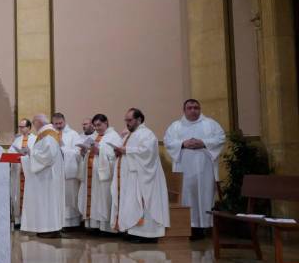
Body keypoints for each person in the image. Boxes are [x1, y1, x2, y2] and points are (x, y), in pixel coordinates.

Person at [163, 99, 225, 240]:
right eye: (189, 108)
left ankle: (206, 226)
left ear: (200, 109)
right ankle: (190, 226)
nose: (193, 110)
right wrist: (183, 144)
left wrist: (203, 142)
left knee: (205, 194)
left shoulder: (210, 124)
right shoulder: (176, 126)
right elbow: (168, 141)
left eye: (196, 107)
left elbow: (220, 138)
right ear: (184, 110)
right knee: (187, 194)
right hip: (184, 168)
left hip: (205, 169)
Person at [111, 108, 170, 243]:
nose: (127, 123)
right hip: (131, 177)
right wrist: (118, 152)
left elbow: (147, 153)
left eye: (130, 120)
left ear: (139, 119)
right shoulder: (129, 135)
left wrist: (126, 150)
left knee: (142, 203)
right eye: (126, 120)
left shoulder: (147, 134)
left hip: (143, 177)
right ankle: (133, 231)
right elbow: (125, 151)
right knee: (131, 203)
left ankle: (147, 234)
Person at [21, 114, 65, 238]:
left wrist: (31, 153)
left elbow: (48, 155)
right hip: (46, 176)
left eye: (34, 123)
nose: (34, 127)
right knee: (46, 202)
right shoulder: (47, 134)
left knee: (47, 202)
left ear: (39, 122)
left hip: (47, 177)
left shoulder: (48, 134)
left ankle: (50, 229)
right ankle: (48, 228)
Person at [77, 114, 122, 235]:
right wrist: (83, 152)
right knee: (93, 199)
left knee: (104, 199)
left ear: (106, 122)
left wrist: (100, 151)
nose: (97, 128)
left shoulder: (114, 136)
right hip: (91, 175)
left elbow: (116, 154)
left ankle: (106, 228)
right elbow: (88, 152)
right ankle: (93, 226)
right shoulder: (94, 136)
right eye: (95, 125)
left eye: (99, 125)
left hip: (104, 176)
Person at [52, 113, 83, 228]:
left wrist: (63, 148)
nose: (58, 126)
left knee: (70, 197)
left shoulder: (73, 134)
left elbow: (77, 152)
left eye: (60, 123)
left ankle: (73, 223)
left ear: (64, 121)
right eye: (56, 124)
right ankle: (60, 222)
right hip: (56, 172)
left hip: (69, 171)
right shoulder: (51, 135)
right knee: (58, 197)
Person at [9, 119, 36, 227]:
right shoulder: (17, 140)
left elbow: (37, 154)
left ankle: (29, 221)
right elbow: (11, 152)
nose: (21, 129)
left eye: (23, 127)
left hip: (29, 173)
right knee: (17, 195)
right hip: (18, 172)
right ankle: (18, 220)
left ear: (29, 127)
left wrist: (29, 153)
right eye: (20, 127)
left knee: (29, 196)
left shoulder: (35, 139)